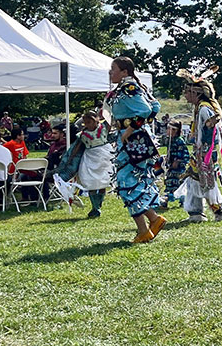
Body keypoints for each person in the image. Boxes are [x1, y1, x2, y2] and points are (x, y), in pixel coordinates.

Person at [105, 56, 166, 243]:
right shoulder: (128, 88)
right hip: (131, 140)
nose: (110, 72)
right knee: (131, 181)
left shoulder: (128, 88)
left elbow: (147, 110)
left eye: (113, 68)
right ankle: (153, 221)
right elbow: (155, 106)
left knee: (126, 183)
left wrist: (131, 129)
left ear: (125, 72)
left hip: (132, 140)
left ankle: (145, 229)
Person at [176, 68, 222, 224]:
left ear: (196, 93)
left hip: (206, 152)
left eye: (187, 92)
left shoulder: (204, 109)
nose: (185, 96)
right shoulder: (200, 108)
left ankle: (220, 210)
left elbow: (211, 132)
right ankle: (196, 213)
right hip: (201, 151)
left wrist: (206, 154)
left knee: (206, 181)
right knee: (194, 179)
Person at [53, 110, 115, 218]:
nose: (87, 125)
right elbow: (77, 147)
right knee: (91, 182)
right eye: (85, 123)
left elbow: (112, 118)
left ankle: (98, 205)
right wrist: (70, 158)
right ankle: (94, 207)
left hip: (104, 156)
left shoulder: (104, 128)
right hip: (90, 157)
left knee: (102, 182)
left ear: (96, 120)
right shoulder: (82, 135)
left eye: (89, 122)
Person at [161, 121, 190, 208]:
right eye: (168, 129)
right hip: (171, 165)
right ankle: (166, 200)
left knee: (178, 183)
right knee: (170, 182)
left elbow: (183, 152)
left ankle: (183, 200)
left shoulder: (179, 140)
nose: (169, 131)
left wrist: (177, 161)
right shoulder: (170, 140)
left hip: (178, 167)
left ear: (176, 131)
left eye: (171, 129)